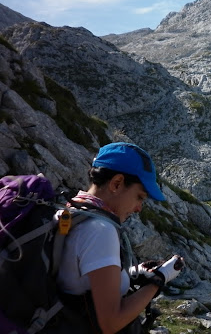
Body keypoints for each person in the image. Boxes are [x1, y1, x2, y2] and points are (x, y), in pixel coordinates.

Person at [51, 142, 184, 334]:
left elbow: (79, 275)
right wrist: (159, 280)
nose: (139, 208)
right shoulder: (100, 230)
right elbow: (111, 323)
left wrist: (133, 273)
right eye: (139, 197)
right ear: (117, 183)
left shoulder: (72, 212)